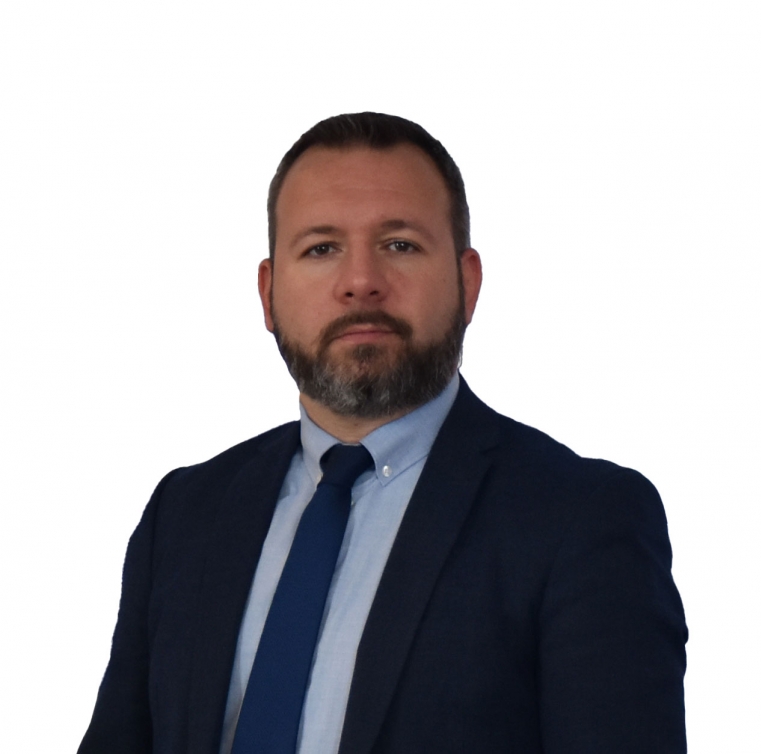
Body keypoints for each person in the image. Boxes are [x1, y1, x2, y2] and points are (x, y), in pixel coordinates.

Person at [78, 112, 688, 754]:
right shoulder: (186, 515)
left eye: (400, 245)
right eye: (321, 248)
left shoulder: (582, 519)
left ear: (468, 282)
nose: (361, 281)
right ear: (268, 293)